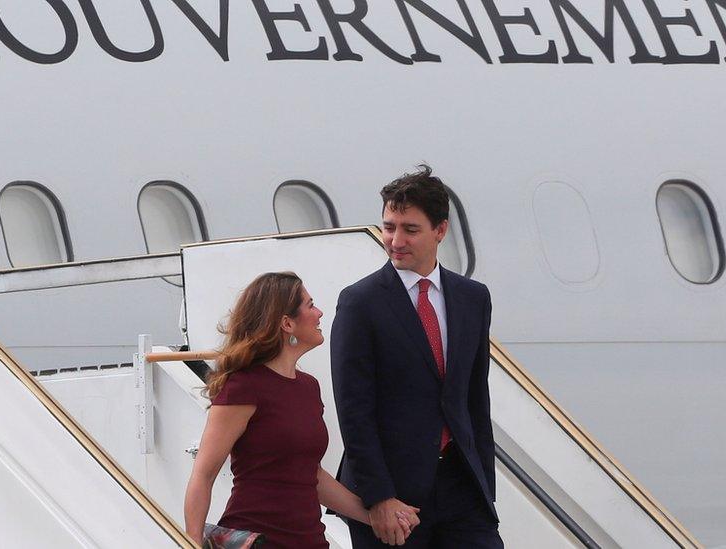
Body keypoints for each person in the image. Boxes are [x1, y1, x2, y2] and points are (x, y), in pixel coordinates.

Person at [331, 166, 503, 548]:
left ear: (440, 230)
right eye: (388, 227)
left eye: (410, 229)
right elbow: (353, 409)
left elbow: (475, 399)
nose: (394, 240)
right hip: (392, 496)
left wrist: (484, 487)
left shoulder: (473, 298)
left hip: (462, 491)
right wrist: (378, 498)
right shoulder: (360, 302)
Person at [184, 272, 419, 548]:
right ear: (286, 323)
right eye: (310, 305)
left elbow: (312, 476)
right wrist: (191, 542)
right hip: (259, 539)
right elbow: (204, 474)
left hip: (310, 540)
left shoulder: (308, 387)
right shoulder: (243, 387)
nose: (319, 313)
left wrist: (376, 515)